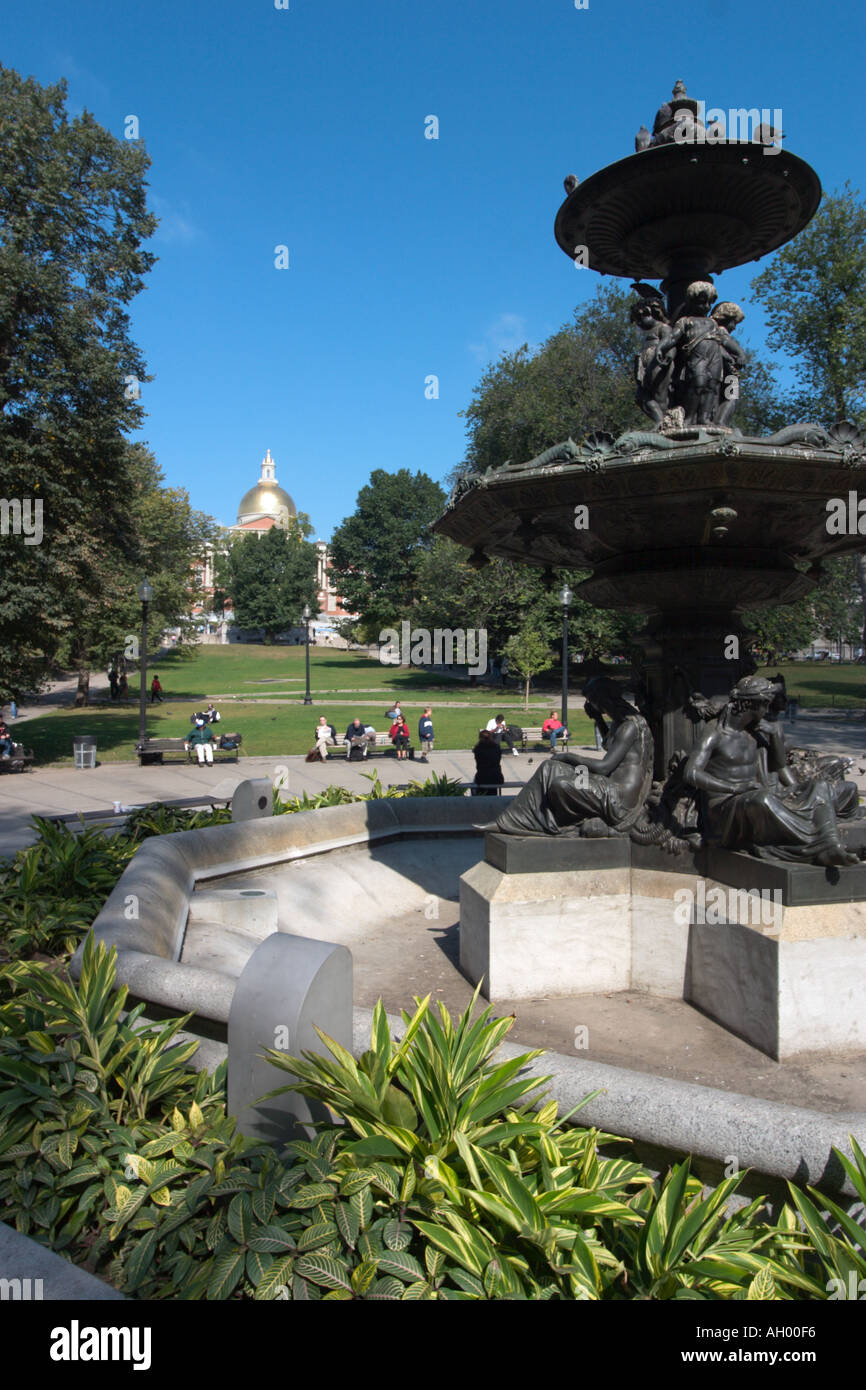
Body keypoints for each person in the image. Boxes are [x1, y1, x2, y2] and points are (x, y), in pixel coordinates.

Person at [683, 675, 859, 866]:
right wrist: (734, 788)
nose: (767, 710)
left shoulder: (756, 733)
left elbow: (780, 766)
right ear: (751, 704)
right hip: (725, 806)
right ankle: (814, 845)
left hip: (756, 793)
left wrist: (774, 736)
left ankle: (830, 844)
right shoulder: (715, 733)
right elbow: (691, 773)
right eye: (765, 705)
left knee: (820, 786)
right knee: (762, 800)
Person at [491, 678, 653, 836]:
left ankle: (556, 826)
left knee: (561, 785)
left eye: (591, 701)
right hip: (607, 784)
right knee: (549, 768)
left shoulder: (629, 726)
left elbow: (604, 767)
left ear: (601, 700)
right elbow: (609, 745)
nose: (589, 705)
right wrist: (598, 718)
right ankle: (509, 822)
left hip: (618, 797)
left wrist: (569, 757)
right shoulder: (620, 722)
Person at [472, 728, 504, 795]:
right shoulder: (497, 748)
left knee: (474, 786)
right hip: (497, 777)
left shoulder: (478, 749)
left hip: (482, 778)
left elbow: (478, 762)